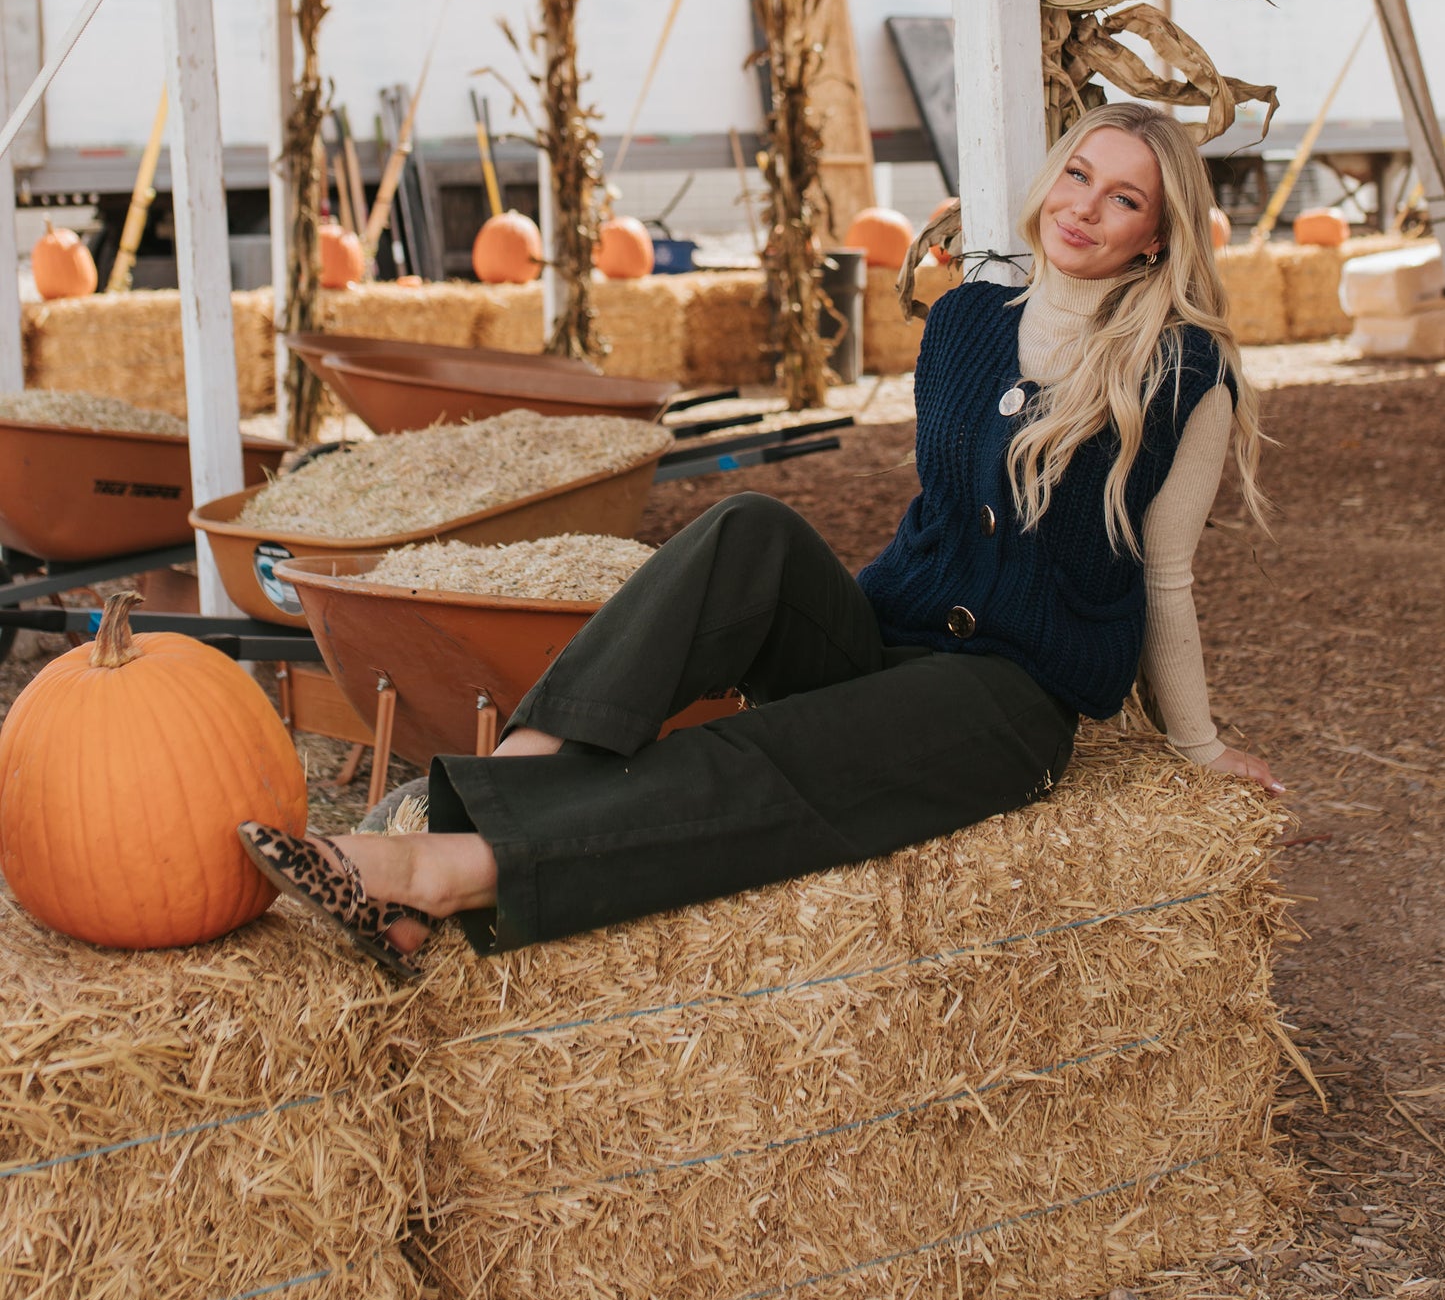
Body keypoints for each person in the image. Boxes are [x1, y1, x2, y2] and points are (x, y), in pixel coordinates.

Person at [239, 102, 1282, 980]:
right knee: (750, 528)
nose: (1082, 207)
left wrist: (1195, 747)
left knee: (763, 756)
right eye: (1077, 174)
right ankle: (505, 772)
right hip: (883, 636)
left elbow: (1167, 577)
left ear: (1154, 235)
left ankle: (442, 873)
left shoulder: (1182, 374)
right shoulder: (965, 318)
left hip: (1003, 695)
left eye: (1122, 198)